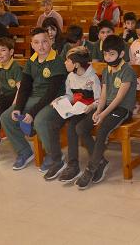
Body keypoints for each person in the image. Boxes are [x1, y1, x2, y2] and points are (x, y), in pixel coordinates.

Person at [74, 35, 136, 189]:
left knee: (102, 131)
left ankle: (91, 169)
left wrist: (103, 114)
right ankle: (101, 161)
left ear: (121, 54)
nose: (108, 58)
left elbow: (119, 98)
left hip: (122, 109)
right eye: (106, 54)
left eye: (112, 54)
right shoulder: (106, 70)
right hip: (107, 108)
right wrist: (98, 110)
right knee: (81, 128)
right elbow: (103, 94)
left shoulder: (127, 70)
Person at [1, 27, 68, 171]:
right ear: (32, 45)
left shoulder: (57, 61)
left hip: (55, 100)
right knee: (6, 117)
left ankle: (55, 155)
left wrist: (32, 112)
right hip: (34, 98)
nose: (41, 46)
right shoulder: (31, 61)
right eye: (36, 42)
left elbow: (51, 92)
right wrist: (18, 107)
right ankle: (24, 151)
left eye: (44, 41)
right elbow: (24, 88)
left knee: (40, 120)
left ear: (50, 41)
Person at [41, 46, 101, 182]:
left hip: (87, 110)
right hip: (74, 108)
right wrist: (61, 99)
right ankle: (57, 161)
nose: (65, 63)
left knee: (72, 127)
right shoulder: (70, 76)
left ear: (76, 64)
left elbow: (98, 99)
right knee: (52, 124)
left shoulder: (93, 78)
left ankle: (73, 165)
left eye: (68, 61)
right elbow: (70, 95)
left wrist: (92, 106)